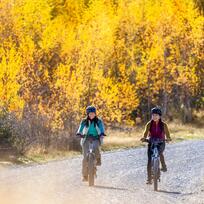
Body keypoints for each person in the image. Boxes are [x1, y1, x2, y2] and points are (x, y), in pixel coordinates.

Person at [140, 107, 172, 184]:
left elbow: (168, 134)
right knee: (149, 161)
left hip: (161, 142)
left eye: (156, 115)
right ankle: (149, 179)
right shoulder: (149, 124)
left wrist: (168, 138)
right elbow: (145, 132)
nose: (154, 116)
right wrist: (144, 138)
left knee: (159, 153)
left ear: (160, 116)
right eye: (153, 115)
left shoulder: (164, 125)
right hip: (151, 142)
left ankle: (163, 166)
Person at [76, 106, 106, 182]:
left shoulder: (98, 121)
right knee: (85, 158)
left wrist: (102, 133)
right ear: (87, 114)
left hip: (96, 137)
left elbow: (101, 128)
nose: (92, 115)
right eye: (90, 113)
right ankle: (85, 176)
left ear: (95, 114)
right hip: (86, 138)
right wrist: (79, 133)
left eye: (93, 113)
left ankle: (98, 159)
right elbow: (80, 128)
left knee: (96, 148)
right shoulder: (84, 121)